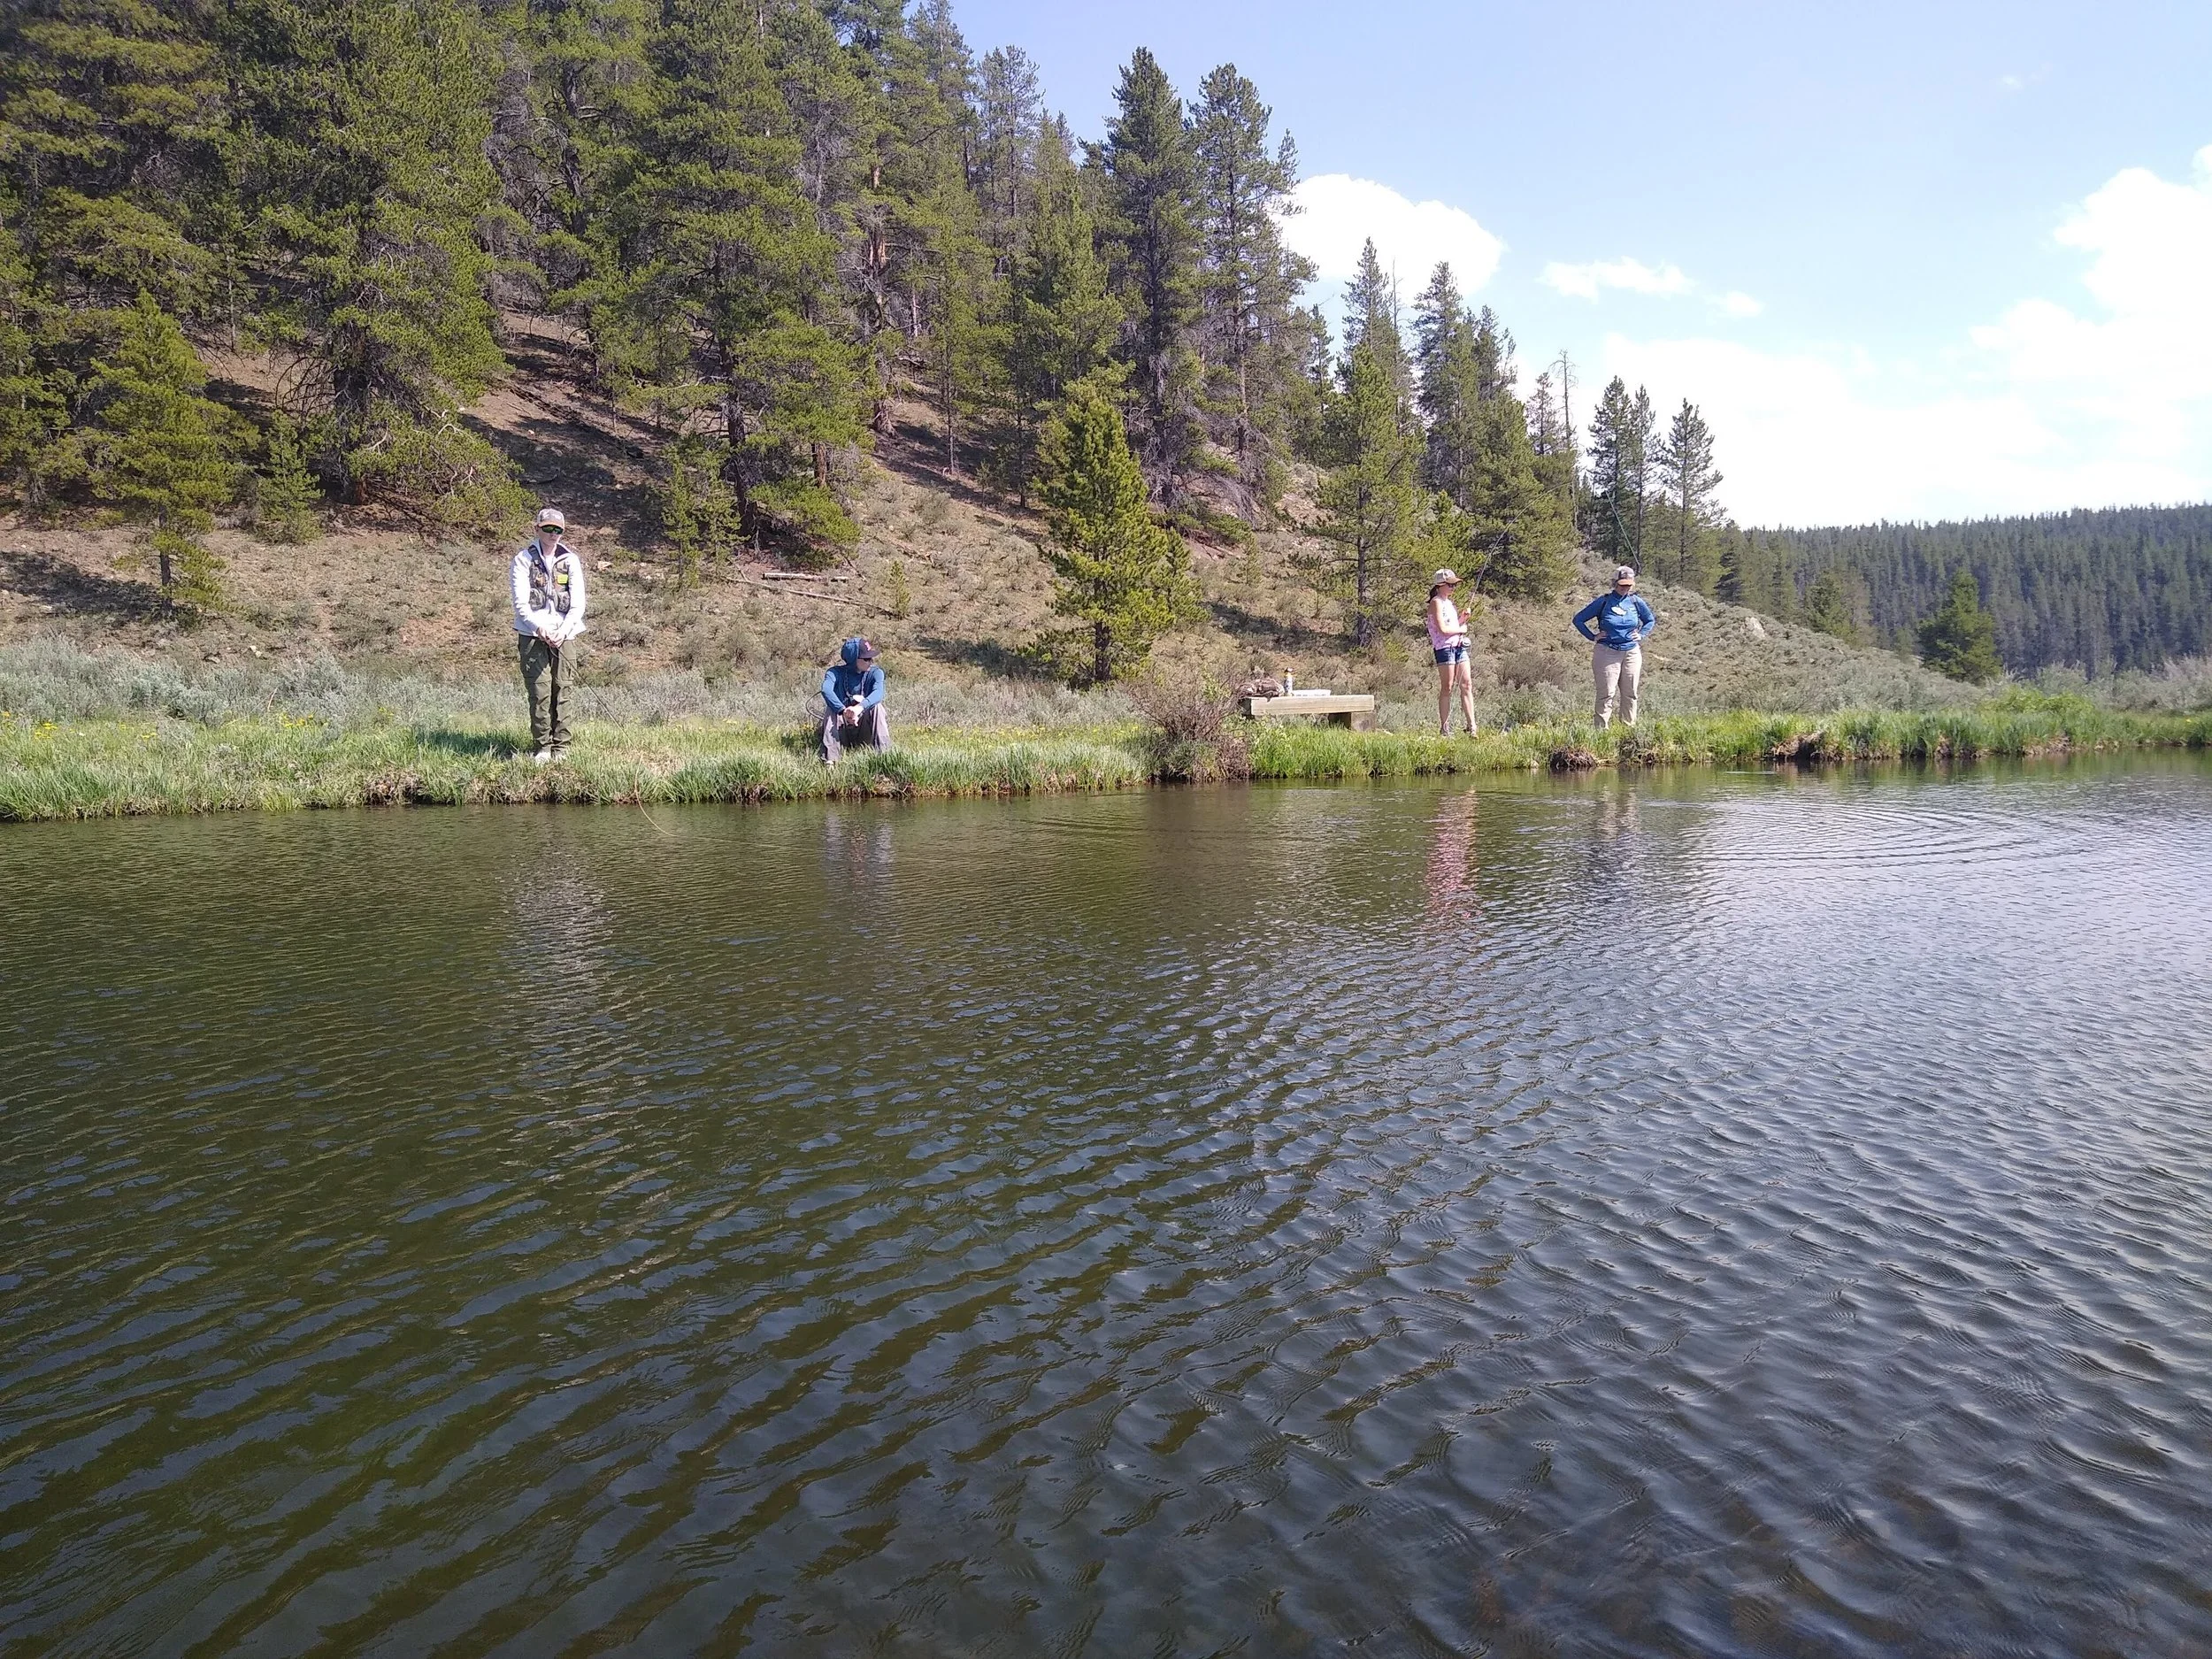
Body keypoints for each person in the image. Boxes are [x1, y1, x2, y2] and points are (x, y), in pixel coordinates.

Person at [511, 506, 588, 763]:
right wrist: (539, 628)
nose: (553, 534)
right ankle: (542, 747)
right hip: (532, 635)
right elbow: (520, 604)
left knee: (563, 690)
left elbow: (578, 604)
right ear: (537, 529)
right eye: (548, 529)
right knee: (539, 691)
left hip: (565, 634)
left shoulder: (571, 560)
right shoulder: (522, 559)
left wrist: (563, 632)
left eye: (558, 530)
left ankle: (561, 748)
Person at [1572, 565, 1656, 727]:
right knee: (1606, 694)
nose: (1625, 588)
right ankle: (1601, 731)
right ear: (1615, 583)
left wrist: (1641, 634)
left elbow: (1650, 620)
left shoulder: (1635, 601)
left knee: (1630, 693)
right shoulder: (1603, 601)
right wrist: (1593, 636)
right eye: (1622, 584)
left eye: (1629, 585)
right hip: (1607, 652)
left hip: (1631, 653)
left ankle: (1628, 729)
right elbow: (1578, 620)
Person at [1426, 568, 1479, 736]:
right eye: (1450, 584)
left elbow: (1452, 625)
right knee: (1447, 687)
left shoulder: (1449, 603)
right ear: (1440, 585)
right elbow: (1442, 630)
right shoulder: (1436, 602)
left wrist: (1462, 618)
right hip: (1445, 649)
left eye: (1454, 585)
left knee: (1466, 684)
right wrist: (1461, 628)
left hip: (1458, 647)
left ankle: (1472, 727)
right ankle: (1444, 728)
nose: (1453, 587)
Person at [820, 636, 889, 763]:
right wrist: (843, 711)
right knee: (831, 709)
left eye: (871, 658)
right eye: (866, 659)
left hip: (865, 730)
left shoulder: (876, 673)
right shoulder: (834, 673)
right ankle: (830, 760)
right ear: (853, 659)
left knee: (877, 708)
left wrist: (859, 708)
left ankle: (884, 757)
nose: (871, 661)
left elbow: (878, 693)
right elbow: (826, 690)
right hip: (840, 730)